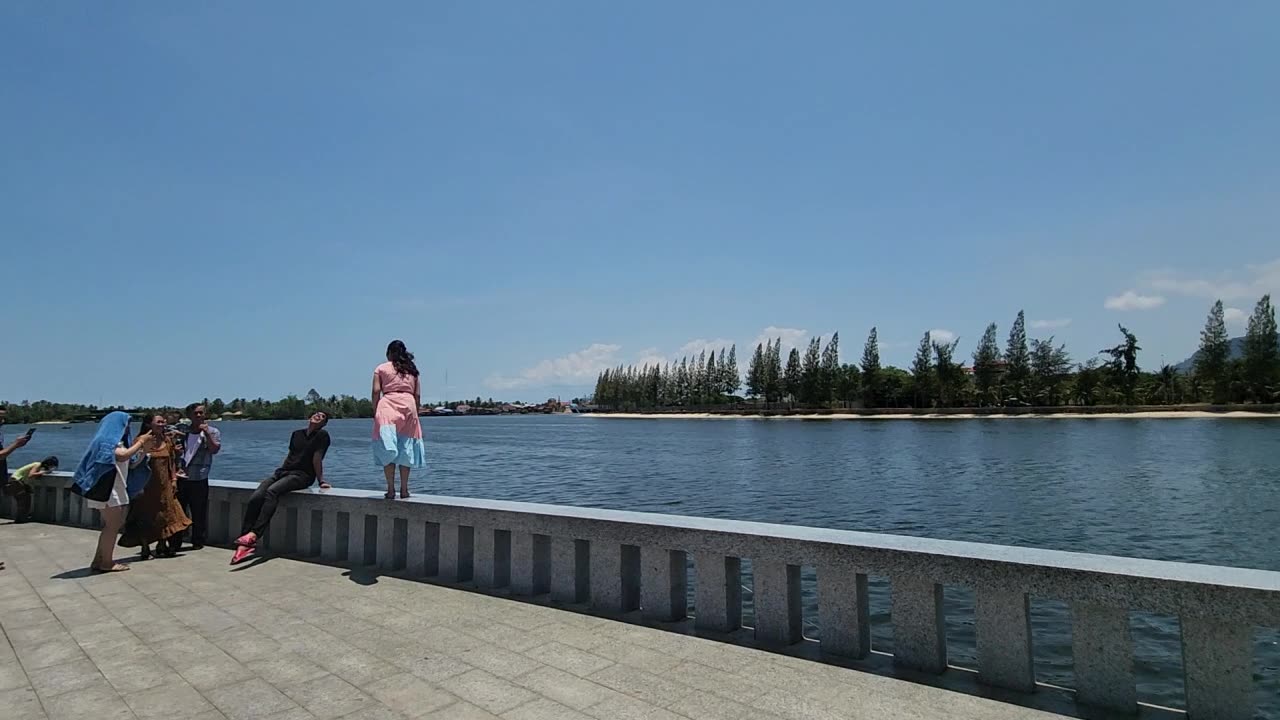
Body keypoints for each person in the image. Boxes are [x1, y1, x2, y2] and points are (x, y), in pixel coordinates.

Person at [231, 410, 332, 565]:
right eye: (316, 414)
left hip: (302, 475)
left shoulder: (322, 436)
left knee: (272, 492)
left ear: (324, 424)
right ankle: (244, 543)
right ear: (309, 417)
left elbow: (317, 459)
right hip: (283, 472)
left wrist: (321, 481)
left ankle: (254, 535)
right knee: (256, 497)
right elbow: (291, 454)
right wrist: (278, 473)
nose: (318, 416)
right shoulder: (296, 434)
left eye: (322, 417)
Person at [71, 411, 150, 573]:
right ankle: (107, 562)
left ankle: (98, 560)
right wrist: (141, 442)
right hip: (107, 490)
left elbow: (131, 463)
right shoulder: (106, 441)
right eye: (126, 424)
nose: (128, 427)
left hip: (114, 488)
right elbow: (121, 456)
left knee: (111, 525)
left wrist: (143, 451)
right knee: (113, 525)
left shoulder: (117, 442)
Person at [118, 414, 191, 559]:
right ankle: (145, 547)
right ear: (149, 424)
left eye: (164, 422)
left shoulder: (167, 440)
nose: (162, 424)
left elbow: (171, 462)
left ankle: (162, 545)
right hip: (146, 486)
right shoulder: (141, 441)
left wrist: (174, 479)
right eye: (158, 422)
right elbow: (133, 463)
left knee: (165, 515)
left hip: (164, 485)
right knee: (145, 516)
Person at [372, 340, 426, 499]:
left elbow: (376, 391)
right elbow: (417, 395)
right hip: (408, 405)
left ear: (389, 353)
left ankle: (390, 490)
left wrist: (376, 411)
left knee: (387, 446)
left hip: (388, 404)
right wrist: (415, 411)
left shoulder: (381, 368)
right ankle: (404, 489)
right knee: (406, 447)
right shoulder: (412, 370)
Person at [175, 403, 220, 550]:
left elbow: (214, 449)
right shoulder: (183, 431)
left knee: (199, 511)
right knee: (179, 510)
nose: (199, 416)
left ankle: (198, 541)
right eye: (196, 413)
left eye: (201, 413)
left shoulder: (213, 431)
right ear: (189, 416)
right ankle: (176, 541)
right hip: (182, 477)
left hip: (200, 477)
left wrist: (206, 433)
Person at [5, 456, 58, 523]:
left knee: (23, 500)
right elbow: (31, 475)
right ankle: (21, 518)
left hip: (17, 480)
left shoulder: (38, 466)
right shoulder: (37, 464)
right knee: (24, 500)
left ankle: (21, 518)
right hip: (17, 480)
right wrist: (43, 472)